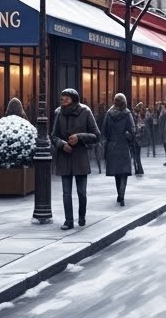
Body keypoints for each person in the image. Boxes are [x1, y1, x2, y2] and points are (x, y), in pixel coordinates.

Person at [50, 88, 100, 229]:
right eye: (62, 98)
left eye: (66, 98)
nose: (63, 100)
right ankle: (69, 221)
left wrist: (79, 137)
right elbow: (53, 136)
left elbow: (96, 136)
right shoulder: (59, 113)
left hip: (80, 158)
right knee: (66, 193)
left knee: (81, 192)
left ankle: (82, 217)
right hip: (65, 157)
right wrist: (61, 144)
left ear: (74, 99)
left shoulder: (85, 112)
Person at [102, 94, 136, 206]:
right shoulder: (127, 113)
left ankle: (119, 194)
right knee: (124, 172)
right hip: (124, 145)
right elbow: (132, 130)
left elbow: (105, 130)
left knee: (116, 172)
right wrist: (130, 137)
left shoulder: (109, 113)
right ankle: (122, 195)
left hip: (112, 145)